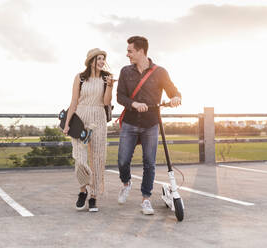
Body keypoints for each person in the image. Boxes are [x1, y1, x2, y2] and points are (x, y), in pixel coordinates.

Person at [116, 36, 181, 215]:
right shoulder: (125, 72)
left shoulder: (160, 72)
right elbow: (120, 97)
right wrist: (134, 104)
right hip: (129, 122)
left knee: (149, 163)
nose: (127, 54)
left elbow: (173, 90)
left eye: (130, 51)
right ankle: (126, 183)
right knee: (122, 160)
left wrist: (176, 97)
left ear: (141, 51)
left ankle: (146, 199)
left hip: (151, 123)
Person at [63, 48, 115, 212]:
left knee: (98, 158)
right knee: (80, 158)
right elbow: (73, 102)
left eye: (103, 59)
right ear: (91, 61)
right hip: (81, 118)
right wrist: (67, 124)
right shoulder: (80, 78)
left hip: (99, 117)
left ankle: (93, 197)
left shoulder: (106, 77)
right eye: (98, 58)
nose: (101, 61)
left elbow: (106, 102)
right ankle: (82, 190)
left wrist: (110, 86)